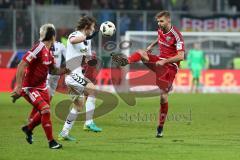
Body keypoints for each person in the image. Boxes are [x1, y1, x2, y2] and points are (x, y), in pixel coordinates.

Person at [111, 11, 185, 138]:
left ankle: (160, 127)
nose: (159, 23)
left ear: (168, 20)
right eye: (158, 21)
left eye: (161, 21)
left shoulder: (176, 35)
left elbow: (181, 56)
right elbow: (160, 37)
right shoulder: (160, 29)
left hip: (169, 68)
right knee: (141, 52)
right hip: (158, 62)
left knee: (163, 97)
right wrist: (151, 45)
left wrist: (165, 61)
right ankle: (125, 61)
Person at [11, 23, 69, 149]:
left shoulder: (49, 51)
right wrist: (19, 86)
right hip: (30, 87)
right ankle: (51, 142)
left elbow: (53, 70)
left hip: (42, 87)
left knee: (44, 112)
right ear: (53, 36)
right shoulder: (38, 48)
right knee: (45, 110)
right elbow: (22, 64)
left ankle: (28, 128)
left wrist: (65, 70)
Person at [58, 15, 102, 141]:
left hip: (77, 74)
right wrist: (85, 37)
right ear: (87, 27)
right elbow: (72, 41)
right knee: (93, 90)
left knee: (78, 106)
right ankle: (88, 123)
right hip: (72, 74)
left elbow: (86, 58)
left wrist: (90, 59)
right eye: (93, 27)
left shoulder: (87, 41)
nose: (93, 30)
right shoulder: (75, 34)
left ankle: (64, 133)